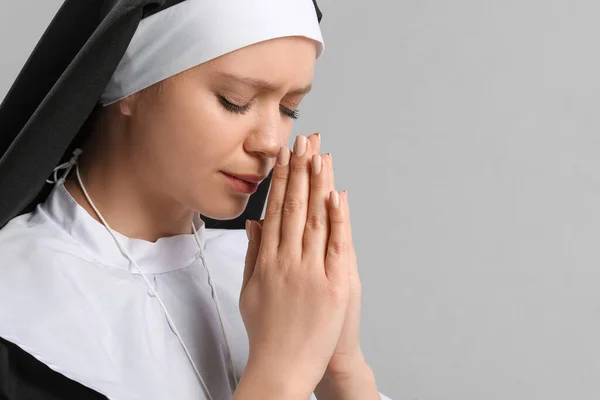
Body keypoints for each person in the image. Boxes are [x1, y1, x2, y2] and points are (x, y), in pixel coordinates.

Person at [0, 0, 391, 399]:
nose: (272, 144)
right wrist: (280, 375)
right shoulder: (15, 305)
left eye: (290, 108)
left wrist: (344, 372)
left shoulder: (276, 279)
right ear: (128, 84)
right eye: (235, 100)